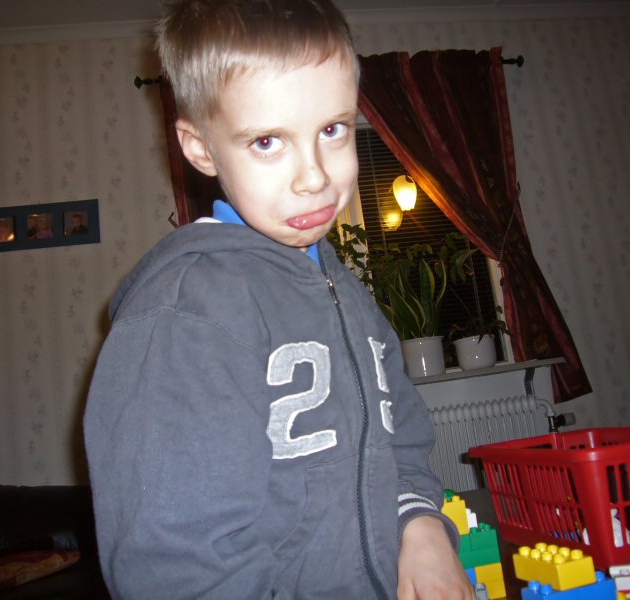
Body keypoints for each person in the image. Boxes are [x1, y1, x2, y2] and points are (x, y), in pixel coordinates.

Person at [83, 1, 473, 599]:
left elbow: (401, 441)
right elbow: (175, 563)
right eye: (268, 141)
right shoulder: (189, 312)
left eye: (333, 130)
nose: (314, 176)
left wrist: (420, 525)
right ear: (200, 148)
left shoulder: (348, 296)